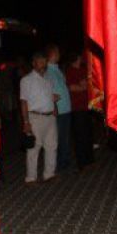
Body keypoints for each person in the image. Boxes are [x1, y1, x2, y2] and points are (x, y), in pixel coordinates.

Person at [20, 53, 58, 183]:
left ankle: (49, 174)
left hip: (49, 117)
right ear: (33, 63)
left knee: (51, 146)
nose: (43, 64)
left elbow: (51, 97)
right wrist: (26, 122)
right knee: (34, 148)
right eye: (40, 61)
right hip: (35, 117)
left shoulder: (48, 79)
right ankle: (31, 177)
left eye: (44, 61)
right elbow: (24, 102)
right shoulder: (27, 80)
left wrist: (54, 109)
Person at [45, 44, 72, 174]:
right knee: (60, 138)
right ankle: (61, 165)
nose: (59, 55)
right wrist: (54, 107)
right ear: (52, 54)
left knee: (65, 137)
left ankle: (65, 162)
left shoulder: (57, 69)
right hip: (59, 110)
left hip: (66, 109)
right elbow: (49, 92)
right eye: (57, 53)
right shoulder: (48, 72)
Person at [66, 52, 95, 169]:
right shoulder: (70, 71)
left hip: (87, 107)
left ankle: (90, 160)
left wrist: (84, 87)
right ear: (77, 57)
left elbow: (89, 85)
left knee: (88, 134)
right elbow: (72, 87)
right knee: (80, 136)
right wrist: (82, 87)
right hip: (77, 108)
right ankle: (82, 162)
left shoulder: (83, 70)